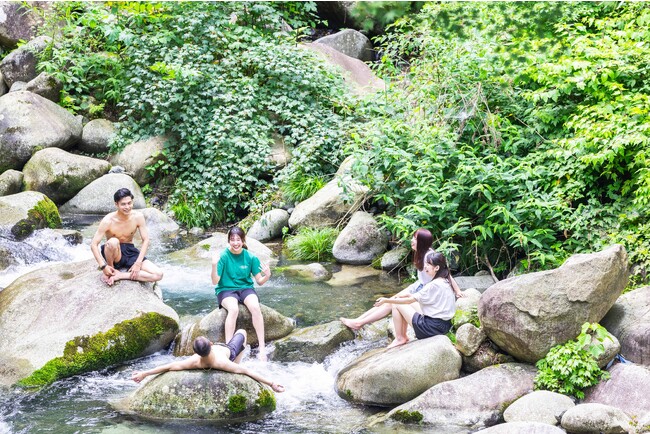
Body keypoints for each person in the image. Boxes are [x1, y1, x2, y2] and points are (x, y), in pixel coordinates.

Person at [340, 228, 463, 330]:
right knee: (390, 300)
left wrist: (457, 291)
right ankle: (358, 320)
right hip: (419, 285)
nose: (412, 240)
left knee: (390, 303)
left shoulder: (428, 256)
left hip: (424, 289)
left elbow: (445, 273)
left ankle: (359, 323)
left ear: (422, 242)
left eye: (415, 239)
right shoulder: (421, 252)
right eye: (413, 237)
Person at [131, 330, 285, 392]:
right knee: (242, 332)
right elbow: (248, 372)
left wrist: (144, 373)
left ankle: (236, 363)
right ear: (211, 344)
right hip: (229, 352)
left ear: (195, 352)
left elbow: (169, 366)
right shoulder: (222, 363)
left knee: (236, 362)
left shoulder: (194, 361)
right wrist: (271, 384)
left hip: (220, 355)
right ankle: (237, 362)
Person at [212, 226, 271, 361]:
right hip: (226, 289)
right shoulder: (223, 256)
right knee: (233, 309)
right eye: (232, 240)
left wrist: (267, 275)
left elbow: (259, 281)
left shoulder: (250, 257)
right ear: (229, 241)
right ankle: (229, 349)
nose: (235, 243)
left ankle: (262, 348)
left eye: (238, 239)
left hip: (245, 288)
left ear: (243, 241)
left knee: (255, 307)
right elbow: (215, 281)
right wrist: (214, 265)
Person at [375, 251, 456, 348]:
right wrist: (409, 295)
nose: (425, 267)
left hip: (430, 328)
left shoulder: (432, 285)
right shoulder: (446, 281)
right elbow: (422, 298)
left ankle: (400, 338)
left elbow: (409, 301)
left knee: (396, 304)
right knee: (404, 299)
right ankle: (403, 336)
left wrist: (386, 300)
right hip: (444, 325)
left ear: (437, 268)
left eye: (428, 264)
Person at [90, 188, 163, 286]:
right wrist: (103, 266)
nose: (127, 207)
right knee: (113, 241)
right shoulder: (108, 220)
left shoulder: (138, 217)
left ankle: (120, 275)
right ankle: (111, 270)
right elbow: (94, 244)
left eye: (129, 203)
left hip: (130, 251)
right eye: (123, 204)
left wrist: (138, 263)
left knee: (158, 274)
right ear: (116, 204)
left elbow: (146, 240)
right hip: (114, 253)